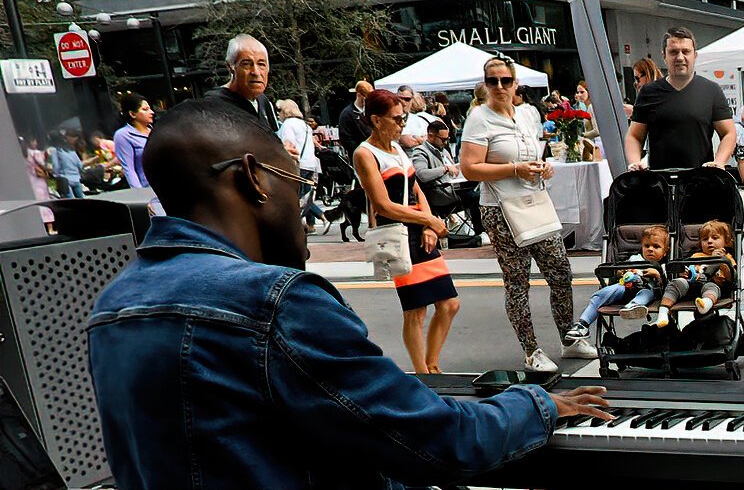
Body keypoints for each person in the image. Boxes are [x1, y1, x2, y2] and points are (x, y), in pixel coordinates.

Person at [88, 99, 612, 488]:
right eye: (295, 185)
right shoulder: (273, 301)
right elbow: (441, 442)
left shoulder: (112, 303)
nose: (299, 209)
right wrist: (536, 402)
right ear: (252, 179)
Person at [461, 56, 590, 371]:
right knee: (517, 281)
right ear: (485, 84)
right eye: (493, 81)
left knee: (561, 272)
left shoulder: (529, 114)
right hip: (501, 209)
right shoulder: (479, 118)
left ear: (516, 83)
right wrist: (514, 168)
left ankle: (569, 339)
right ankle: (532, 351)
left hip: (536, 203)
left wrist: (543, 166)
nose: (500, 87)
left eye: (506, 80)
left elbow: (536, 152)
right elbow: (469, 168)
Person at [349, 90, 461, 375]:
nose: (402, 124)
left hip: (416, 224)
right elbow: (382, 205)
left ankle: (431, 364)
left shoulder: (397, 149)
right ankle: (423, 372)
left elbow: (415, 188)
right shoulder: (365, 153)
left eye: (404, 117)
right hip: (396, 231)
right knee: (416, 310)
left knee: (449, 303)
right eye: (397, 118)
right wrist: (427, 219)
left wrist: (428, 223)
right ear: (376, 120)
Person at [624, 27, 736, 171]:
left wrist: (719, 162)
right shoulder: (648, 92)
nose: (680, 57)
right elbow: (634, 135)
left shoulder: (711, 90)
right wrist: (634, 162)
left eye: (686, 51)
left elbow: (729, 133)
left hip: (700, 181)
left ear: (695, 55)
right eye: (673, 52)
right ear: (664, 55)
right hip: (660, 182)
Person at [571, 225, 668, 337]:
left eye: (656, 247)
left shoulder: (663, 266)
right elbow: (619, 272)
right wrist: (621, 272)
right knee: (603, 293)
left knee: (646, 293)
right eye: (647, 246)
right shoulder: (634, 259)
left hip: (648, 291)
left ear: (665, 252)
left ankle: (632, 307)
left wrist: (657, 275)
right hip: (625, 287)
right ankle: (583, 324)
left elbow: (666, 287)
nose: (650, 249)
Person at [652, 220, 737, 327]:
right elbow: (688, 269)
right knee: (676, 282)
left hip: (711, 286)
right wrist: (684, 273)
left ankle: (705, 303)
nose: (709, 241)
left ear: (726, 242)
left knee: (711, 287)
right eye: (705, 239)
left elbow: (732, 278)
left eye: (715, 238)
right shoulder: (696, 256)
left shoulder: (727, 258)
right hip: (690, 287)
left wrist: (720, 261)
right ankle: (663, 312)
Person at [203, 34, 278, 133]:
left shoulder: (263, 101)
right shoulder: (214, 105)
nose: (256, 72)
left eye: (261, 64)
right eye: (246, 64)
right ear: (230, 67)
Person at [276, 99, 325, 232]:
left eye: (279, 110)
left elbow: (289, 144)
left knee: (297, 197)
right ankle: (311, 224)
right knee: (307, 195)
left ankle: (311, 221)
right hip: (311, 164)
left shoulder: (287, 125)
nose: (278, 114)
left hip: (298, 164)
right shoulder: (305, 126)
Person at [410, 120, 466, 222]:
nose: (445, 142)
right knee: (475, 197)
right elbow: (422, 174)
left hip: (452, 189)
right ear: (431, 136)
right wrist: (445, 169)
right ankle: (480, 231)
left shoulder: (444, 151)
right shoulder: (420, 152)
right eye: (443, 139)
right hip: (438, 194)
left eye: (447, 139)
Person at [113, 93, 153, 189]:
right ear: (132, 114)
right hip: (148, 189)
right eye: (145, 109)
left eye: (150, 108)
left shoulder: (155, 131)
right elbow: (129, 169)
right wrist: (141, 196)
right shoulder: (123, 135)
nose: (151, 112)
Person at [339, 80, 375, 156]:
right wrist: (360, 151)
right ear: (359, 95)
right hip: (360, 154)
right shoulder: (347, 114)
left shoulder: (373, 110)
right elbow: (345, 139)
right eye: (366, 98)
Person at [48, 130, 85, 199]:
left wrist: (56, 175)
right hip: (76, 179)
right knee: (82, 200)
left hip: (65, 180)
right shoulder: (71, 149)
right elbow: (79, 164)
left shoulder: (55, 150)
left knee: (71, 202)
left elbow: (56, 166)